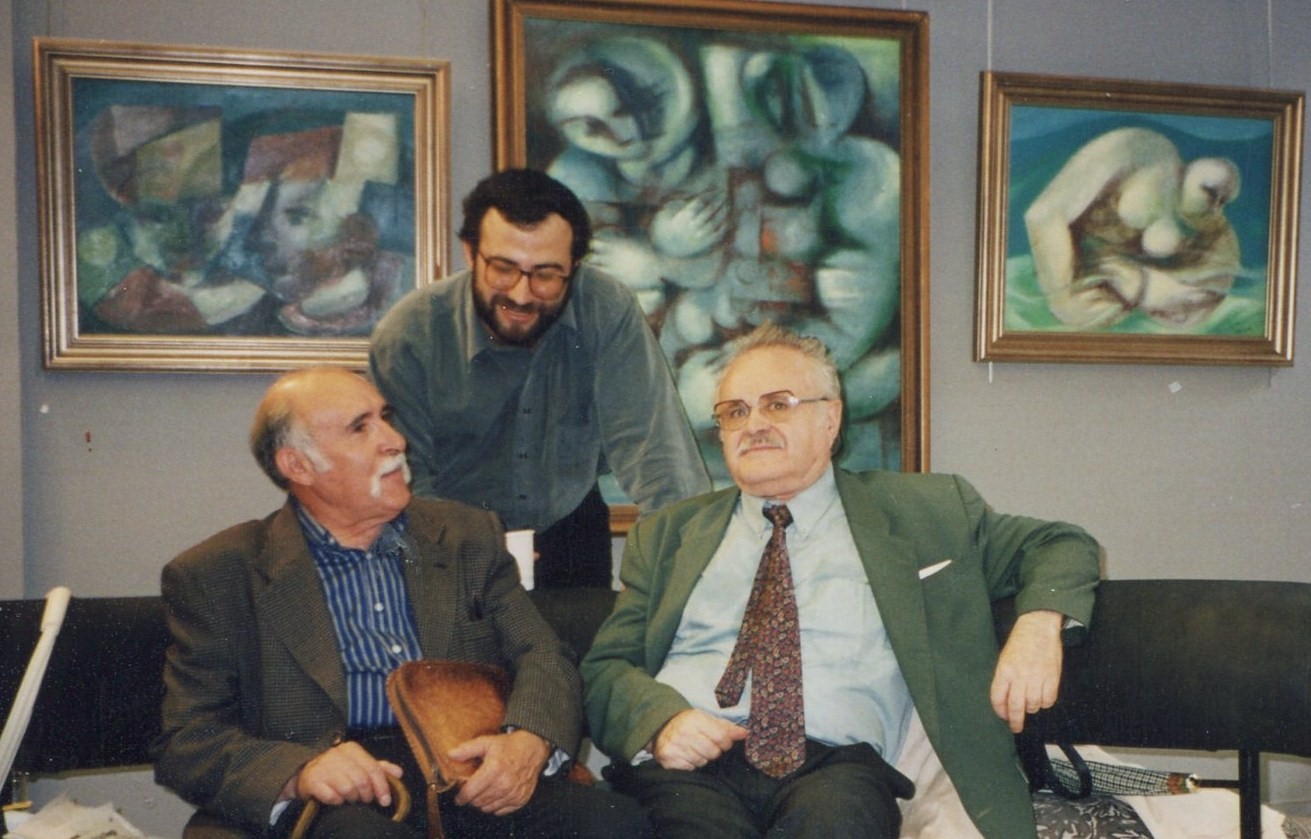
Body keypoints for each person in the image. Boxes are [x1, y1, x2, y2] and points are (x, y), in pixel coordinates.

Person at [580, 323, 1101, 839]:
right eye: (735, 411)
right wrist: (660, 722)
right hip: (689, 768)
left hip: (837, 769)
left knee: (838, 822)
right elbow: (606, 666)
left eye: (778, 403)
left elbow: (1060, 542)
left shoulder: (926, 512)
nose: (753, 424)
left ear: (830, 418)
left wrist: (1038, 625)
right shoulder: (669, 534)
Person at [152, 366, 652, 839]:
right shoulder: (218, 574)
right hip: (342, 792)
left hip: (468, 766)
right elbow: (189, 739)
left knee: (614, 823)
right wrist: (300, 772)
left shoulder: (464, 536)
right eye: (359, 428)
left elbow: (543, 654)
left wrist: (528, 742)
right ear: (297, 465)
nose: (394, 441)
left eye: (384, 418)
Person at [369, 168, 711, 589]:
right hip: (446, 534)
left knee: (576, 651)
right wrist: (477, 551)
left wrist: (688, 585)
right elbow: (406, 482)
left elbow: (658, 453)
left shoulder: (605, 307)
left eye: (546, 275)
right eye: (503, 269)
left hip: (568, 527)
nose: (521, 294)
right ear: (469, 253)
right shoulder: (409, 335)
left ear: (573, 266)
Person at [1024, 126, 1242, 330]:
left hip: (1130, 288)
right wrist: (1063, 300)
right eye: (1210, 193)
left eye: (1222, 201)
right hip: (1078, 273)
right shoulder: (1144, 153)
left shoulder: (1210, 223)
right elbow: (1043, 214)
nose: (1215, 206)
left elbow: (1214, 286)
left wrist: (1144, 286)